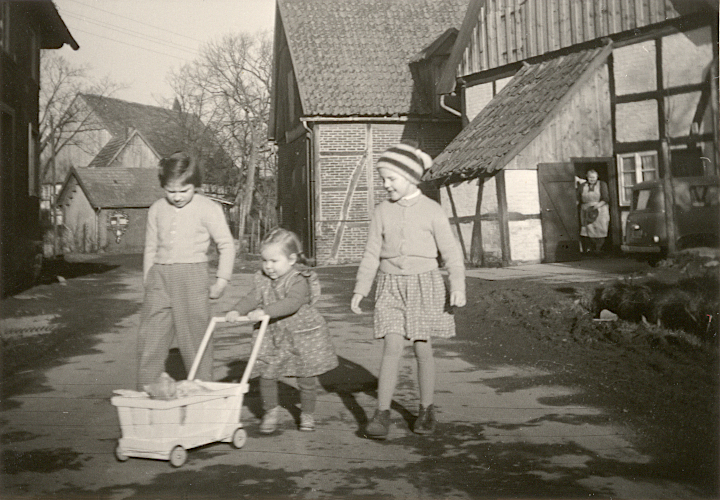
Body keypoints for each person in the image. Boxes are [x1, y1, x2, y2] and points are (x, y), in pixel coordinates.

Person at [350, 142, 466, 439]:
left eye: (391, 179)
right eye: (383, 180)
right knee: (391, 347)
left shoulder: (432, 210)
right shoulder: (381, 211)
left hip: (424, 285)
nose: (385, 185)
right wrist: (360, 289)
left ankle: (426, 409)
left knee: (421, 347)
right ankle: (382, 413)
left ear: (410, 177)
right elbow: (371, 254)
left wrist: (458, 286)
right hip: (390, 287)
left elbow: (451, 252)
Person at [137, 151, 235, 391]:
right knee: (151, 339)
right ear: (163, 187)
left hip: (192, 277)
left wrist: (221, 280)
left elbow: (226, 244)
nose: (178, 197)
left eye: (184, 191)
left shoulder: (209, 208)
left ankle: (201, 394)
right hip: (159, 277)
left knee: (195, 339)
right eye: (171, 191)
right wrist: (148, 279)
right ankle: (147, 394)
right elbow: (150, 247)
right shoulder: (157, 209)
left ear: (195, 186)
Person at [225, 228, 338, 433]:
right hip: (272, 335)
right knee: (267, 373)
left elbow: (292, 303)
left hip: (300, 335)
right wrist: (236, 310)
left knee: (306, 376)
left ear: (292, 259)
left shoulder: (299, 279)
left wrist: (265, 311)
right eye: (264, 260)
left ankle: (307, 413)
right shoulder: (263, 279)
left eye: (274, 261)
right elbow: (252, 297)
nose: (268, 267)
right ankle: (271, 410)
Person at [577, 169, 610, 254]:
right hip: (586, 210)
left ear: (597, 177)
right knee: (587, 230)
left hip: (600, 209)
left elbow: (606, 198)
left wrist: (596, 206)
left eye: (594, 177)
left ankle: (598, 249)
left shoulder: (602, 184)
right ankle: (590, 250)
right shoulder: (582, 186)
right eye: (590, 177)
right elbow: (578, 198)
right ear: (587, 177)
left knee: (600, 229)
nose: (592, 179)